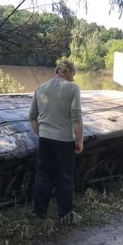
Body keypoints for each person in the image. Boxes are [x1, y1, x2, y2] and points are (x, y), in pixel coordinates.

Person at [29, 60, 83, 223]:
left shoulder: (40, 88)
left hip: (45, 140)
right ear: (68, 72)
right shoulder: (72, 88)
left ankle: (39, 213)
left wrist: (42, 134)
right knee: (64, 177)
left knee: (43, 176)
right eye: (73, 75)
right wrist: (79, 140)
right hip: (64, 141)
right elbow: (76, 117)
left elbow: (32, 116)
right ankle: (65, 215)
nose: (73, 79)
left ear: (57, 71)